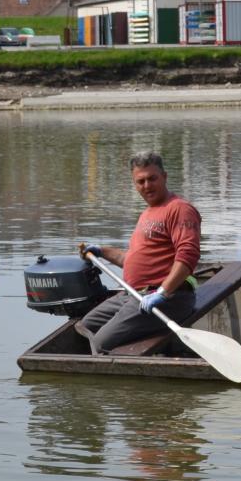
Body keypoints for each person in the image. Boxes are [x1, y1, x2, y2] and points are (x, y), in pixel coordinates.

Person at [77, 151, 202, 355]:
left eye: (152, 178)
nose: (147, 185)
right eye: (140, 181)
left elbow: (188, 256)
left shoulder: (179, 209)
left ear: (164, 177)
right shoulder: (147, 213)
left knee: (101, 344)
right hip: (134, 295)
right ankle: (161, 343)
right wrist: (101, 251)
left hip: (168, 298)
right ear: (134, 184)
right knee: (86, 325)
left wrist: (162, 292)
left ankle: (157, 350)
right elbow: (129, 260)